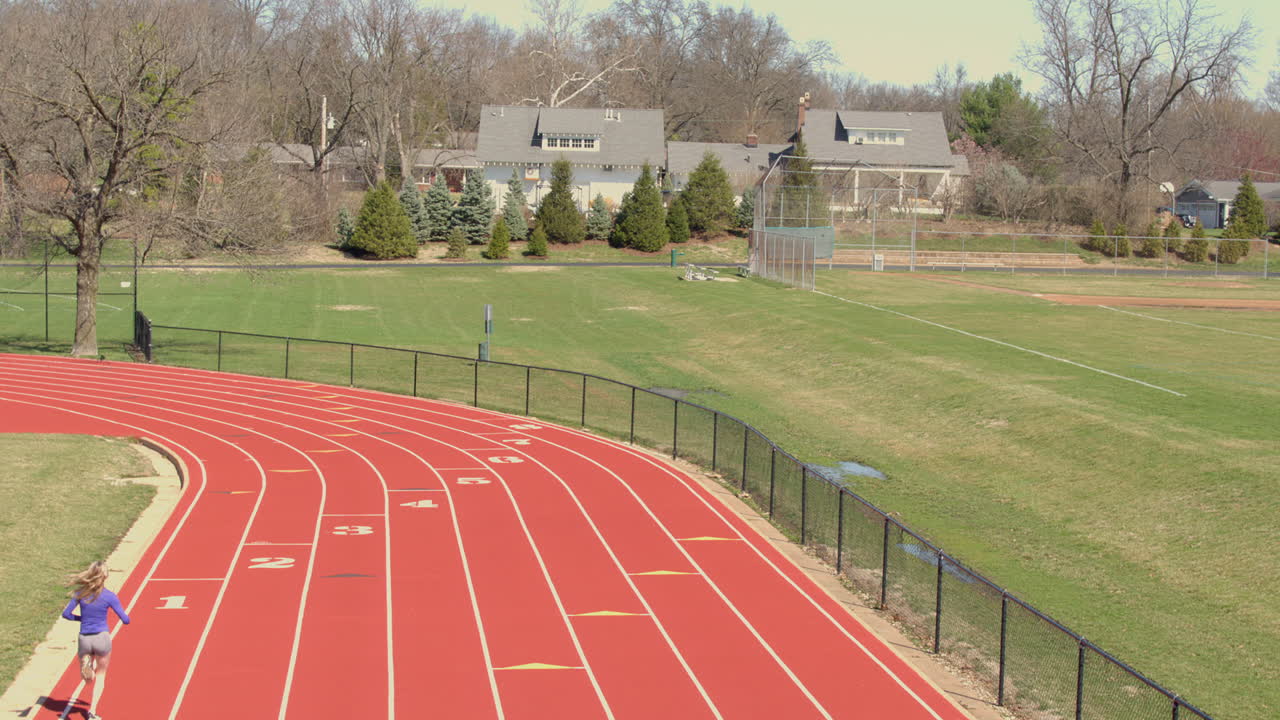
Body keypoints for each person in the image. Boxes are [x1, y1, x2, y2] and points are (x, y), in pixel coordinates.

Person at [62, 561, 129, 720]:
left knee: (89, 677)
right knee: (101, 675)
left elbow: (66, 614)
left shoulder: (80, 593)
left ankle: (88, 670)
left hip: (84, 637)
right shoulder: (109, 596)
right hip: (101, 637)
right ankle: (92, 712)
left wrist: (81, 618)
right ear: (105, 576)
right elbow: (125, 620)